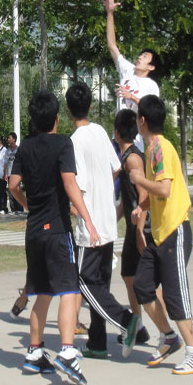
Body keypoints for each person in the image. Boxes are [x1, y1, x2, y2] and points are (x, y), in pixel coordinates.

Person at [8, 90, 101, 385]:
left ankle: (35, 351)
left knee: (43, 292)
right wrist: (87, 219)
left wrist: (27, 204)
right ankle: (68, 351)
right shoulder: (63, 143)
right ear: (57, 118)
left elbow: (13, 184)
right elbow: (69, 182)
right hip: (58, 230)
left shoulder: (25, 147)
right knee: (69, 290)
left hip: (34, 231)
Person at [124, 95, 193, 374]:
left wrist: (138, 180)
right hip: (159, 235)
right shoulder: (152, 150)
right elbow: (156, 192)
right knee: (142, 285)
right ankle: (169, 337)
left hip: (175, 231)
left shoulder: (159, 148)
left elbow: (165, 189)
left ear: (142, 121)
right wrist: (142, 207)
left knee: (174, 295)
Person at [65, 82, 141, 360]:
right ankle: (97, 343)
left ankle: (127, 320)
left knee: (83, 281)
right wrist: (103, 189)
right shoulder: (99, 131)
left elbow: (77, 183)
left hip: (91, 225)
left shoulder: (74, 141)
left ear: (68, 109)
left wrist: (79, 208)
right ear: (89, 105)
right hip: (108, 220)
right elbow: (117, 167)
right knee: (100, 285)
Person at [103, 0, 162, 150]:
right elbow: (112, 45)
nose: (140, 57)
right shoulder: (127, 69)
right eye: (141, 54)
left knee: (133, 167)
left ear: (151, 67)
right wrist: (110, 13)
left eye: (145, 56)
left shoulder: (151, 86)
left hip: (136, 140)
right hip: (117, 137)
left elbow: (151, 111)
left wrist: (131, 97)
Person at [113, 109, 151, 348]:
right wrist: (112, 219)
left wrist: (139, 231)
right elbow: (127, 200)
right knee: (129, 276)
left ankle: (168, 331)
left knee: (147, 284)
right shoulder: (126, 157)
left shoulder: (133, 159)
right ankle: (139, 327)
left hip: (140, 227)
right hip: (132, 226)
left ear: (117, 132)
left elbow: (143, 195)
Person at [6, 132, 23, 213]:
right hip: (9, 173)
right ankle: (13, 209)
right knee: (11, 191)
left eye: (10, 138)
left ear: (14, 139)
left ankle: (19, 208)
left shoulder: (18, 150)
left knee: (17, 191)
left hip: (17, 174)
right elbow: (6, 163)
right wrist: (5, 174)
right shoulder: (8, 150)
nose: (8, 140)